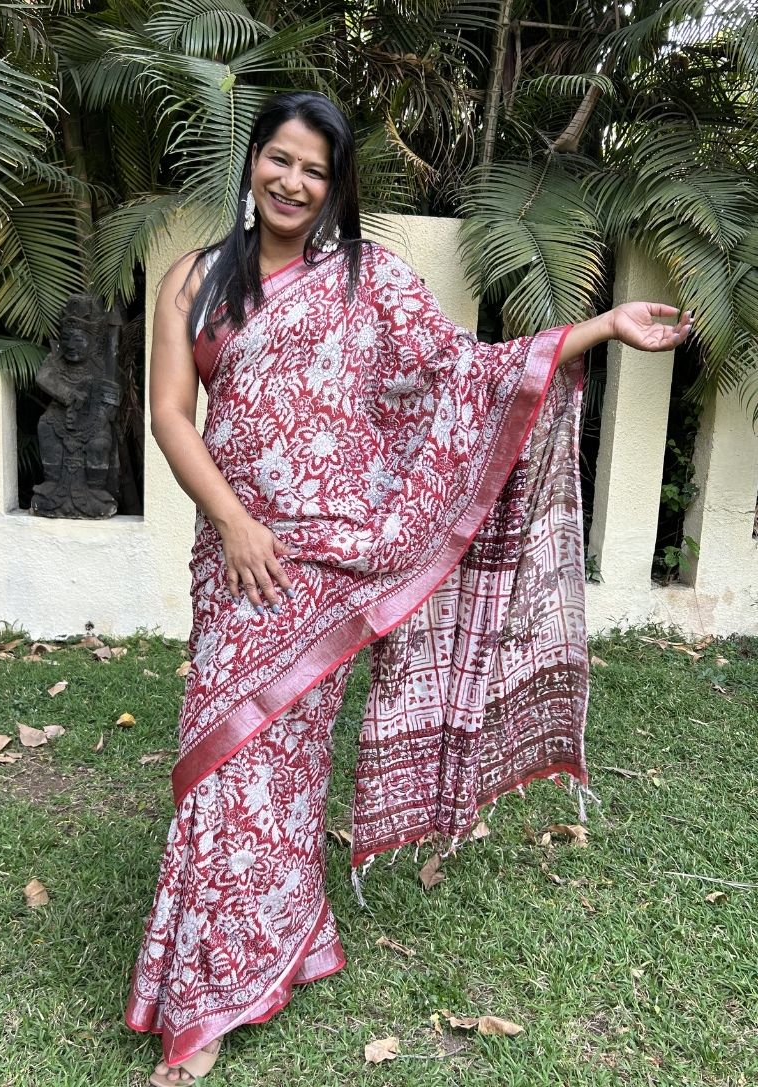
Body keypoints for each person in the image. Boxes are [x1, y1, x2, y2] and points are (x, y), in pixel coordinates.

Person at [125, 92, 692, 1085]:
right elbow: (172, 414)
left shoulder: (368, 281)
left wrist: (597, 326)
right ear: (251, 161)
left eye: (315, 170)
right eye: (279, 161)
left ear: (336, 184)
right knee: (216, 766)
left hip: (328, 566)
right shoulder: (190, 282)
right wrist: (232, 519)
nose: (293, 183)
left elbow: (458, 373)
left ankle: (241, 975)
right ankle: (219, 974)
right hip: (236, 561)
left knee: (285, 776)